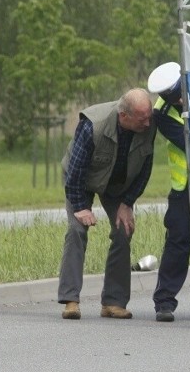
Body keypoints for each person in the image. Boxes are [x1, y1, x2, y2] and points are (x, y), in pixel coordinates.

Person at [58, 88, 156, 320]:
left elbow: (145, 169)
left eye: (149, 117)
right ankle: (71, 301)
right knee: (76, 230)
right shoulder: (94, 125)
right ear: (124, 116)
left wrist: (127, 203)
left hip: (117, 185)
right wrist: (82, 207)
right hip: (81, 181)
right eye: (142, 118)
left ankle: (113, 302)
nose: (148, 123)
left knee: (124, 230)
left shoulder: (148, 126)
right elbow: (75, 171)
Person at [147, 62, 190, 323]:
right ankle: (164, 302)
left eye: (178, 92)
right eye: (170, 96)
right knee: (179, 241)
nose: (177, 99)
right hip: (185, 187)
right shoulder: (162, 114)